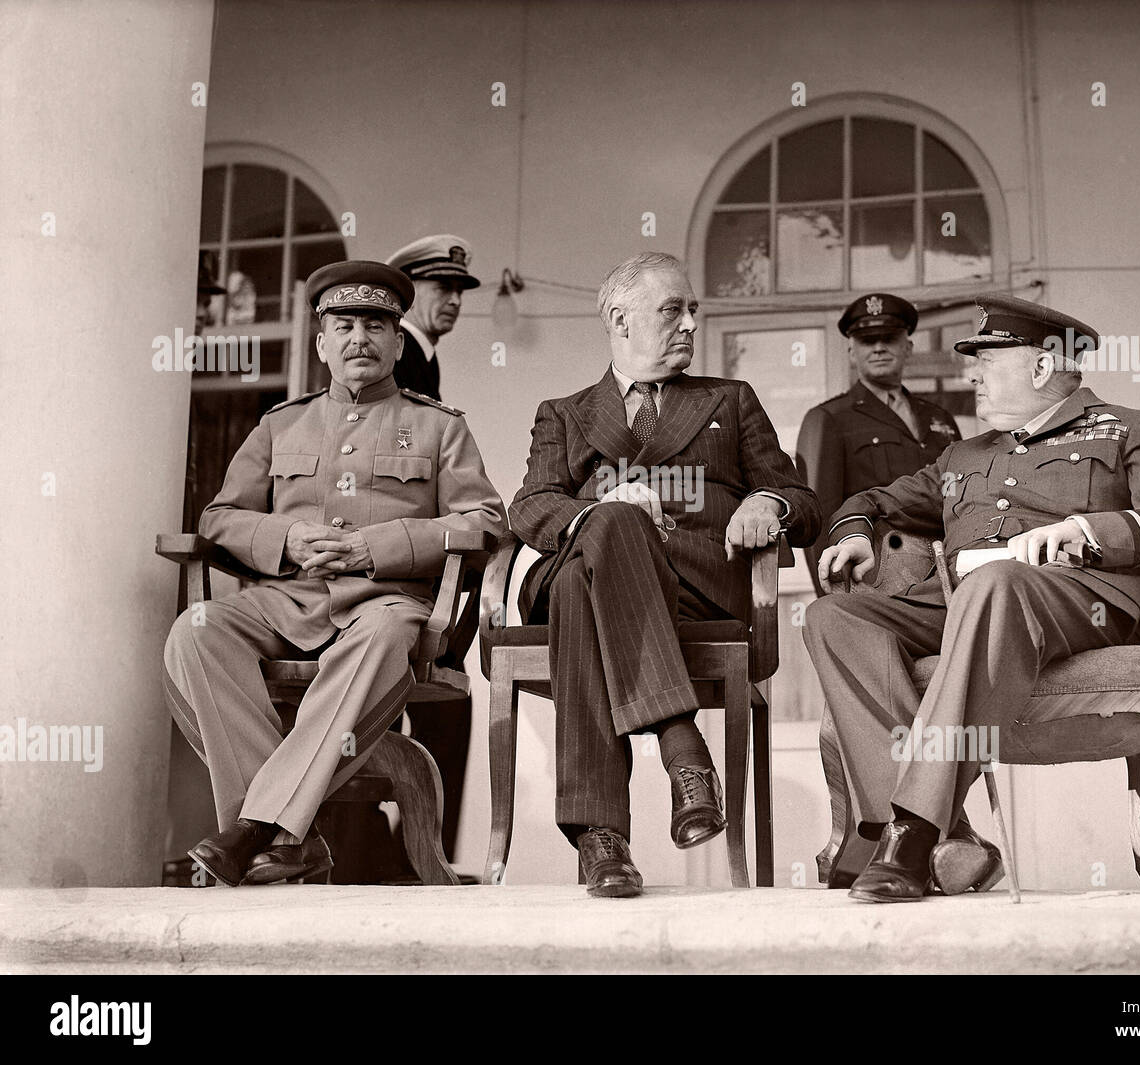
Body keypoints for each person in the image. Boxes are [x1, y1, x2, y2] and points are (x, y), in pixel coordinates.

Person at [802, 293, 1140, 903]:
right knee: (833, 615)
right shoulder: (964, 454)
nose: (970, 374)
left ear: (1040, 367)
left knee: (995, 583)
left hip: (1076, 605)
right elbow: (870, 499)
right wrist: (856, 535)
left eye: (988, 359)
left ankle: (911, 834)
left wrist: (1086, 533)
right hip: (962, 607)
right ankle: (952, 837)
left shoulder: (1129, 427)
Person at [163, 260, 506, 887]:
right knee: (197, 628)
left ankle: (254, 829)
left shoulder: (439, 426)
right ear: (321, 343)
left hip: (384, 603)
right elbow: (218, 519)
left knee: (380, 637)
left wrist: (378, 547)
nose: (359, 339)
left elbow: (485, 521)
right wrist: (286, 537)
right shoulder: (279, 424)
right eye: (343, 325)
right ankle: (285, 834)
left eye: (376, 326)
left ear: (398, 342)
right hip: (287, 598)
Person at [510, 251, 820, 898]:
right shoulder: (564, 412)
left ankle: (602, 839)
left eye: (693, 311)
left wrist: (769, 502)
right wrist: (603, 513)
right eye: (672, 310)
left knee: (576, 585)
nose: (689, 325)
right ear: (621, 320)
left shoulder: (728, 401)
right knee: (608, 532)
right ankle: (684, 749)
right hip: (604, 566)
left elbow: (802, 497)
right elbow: (531, 506)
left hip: (699, 583)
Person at [382, 233, 482, 863]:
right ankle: (416, 860)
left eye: (458, 290)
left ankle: (413, 859)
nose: (452, 300)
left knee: (442, 697)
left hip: (418, 566)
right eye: (439, 287)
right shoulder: (399, 366)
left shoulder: (424, 363)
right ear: (406, 294)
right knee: (439, 697)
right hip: (391, 572)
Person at [796, 293, 960, 595]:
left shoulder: (940, 417)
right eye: (868, 341)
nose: (879, 347)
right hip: (876, 576)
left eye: (889, 338)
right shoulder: (830, 418)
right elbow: (820, 514)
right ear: (851, 352)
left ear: (908, 347)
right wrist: (834, 590)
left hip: (946, 573)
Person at [385, 233, 480, 402]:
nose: (456, 301)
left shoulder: (422, 354)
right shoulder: (395, 353)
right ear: (409, 293)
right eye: (443, 288)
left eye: (459, 291)